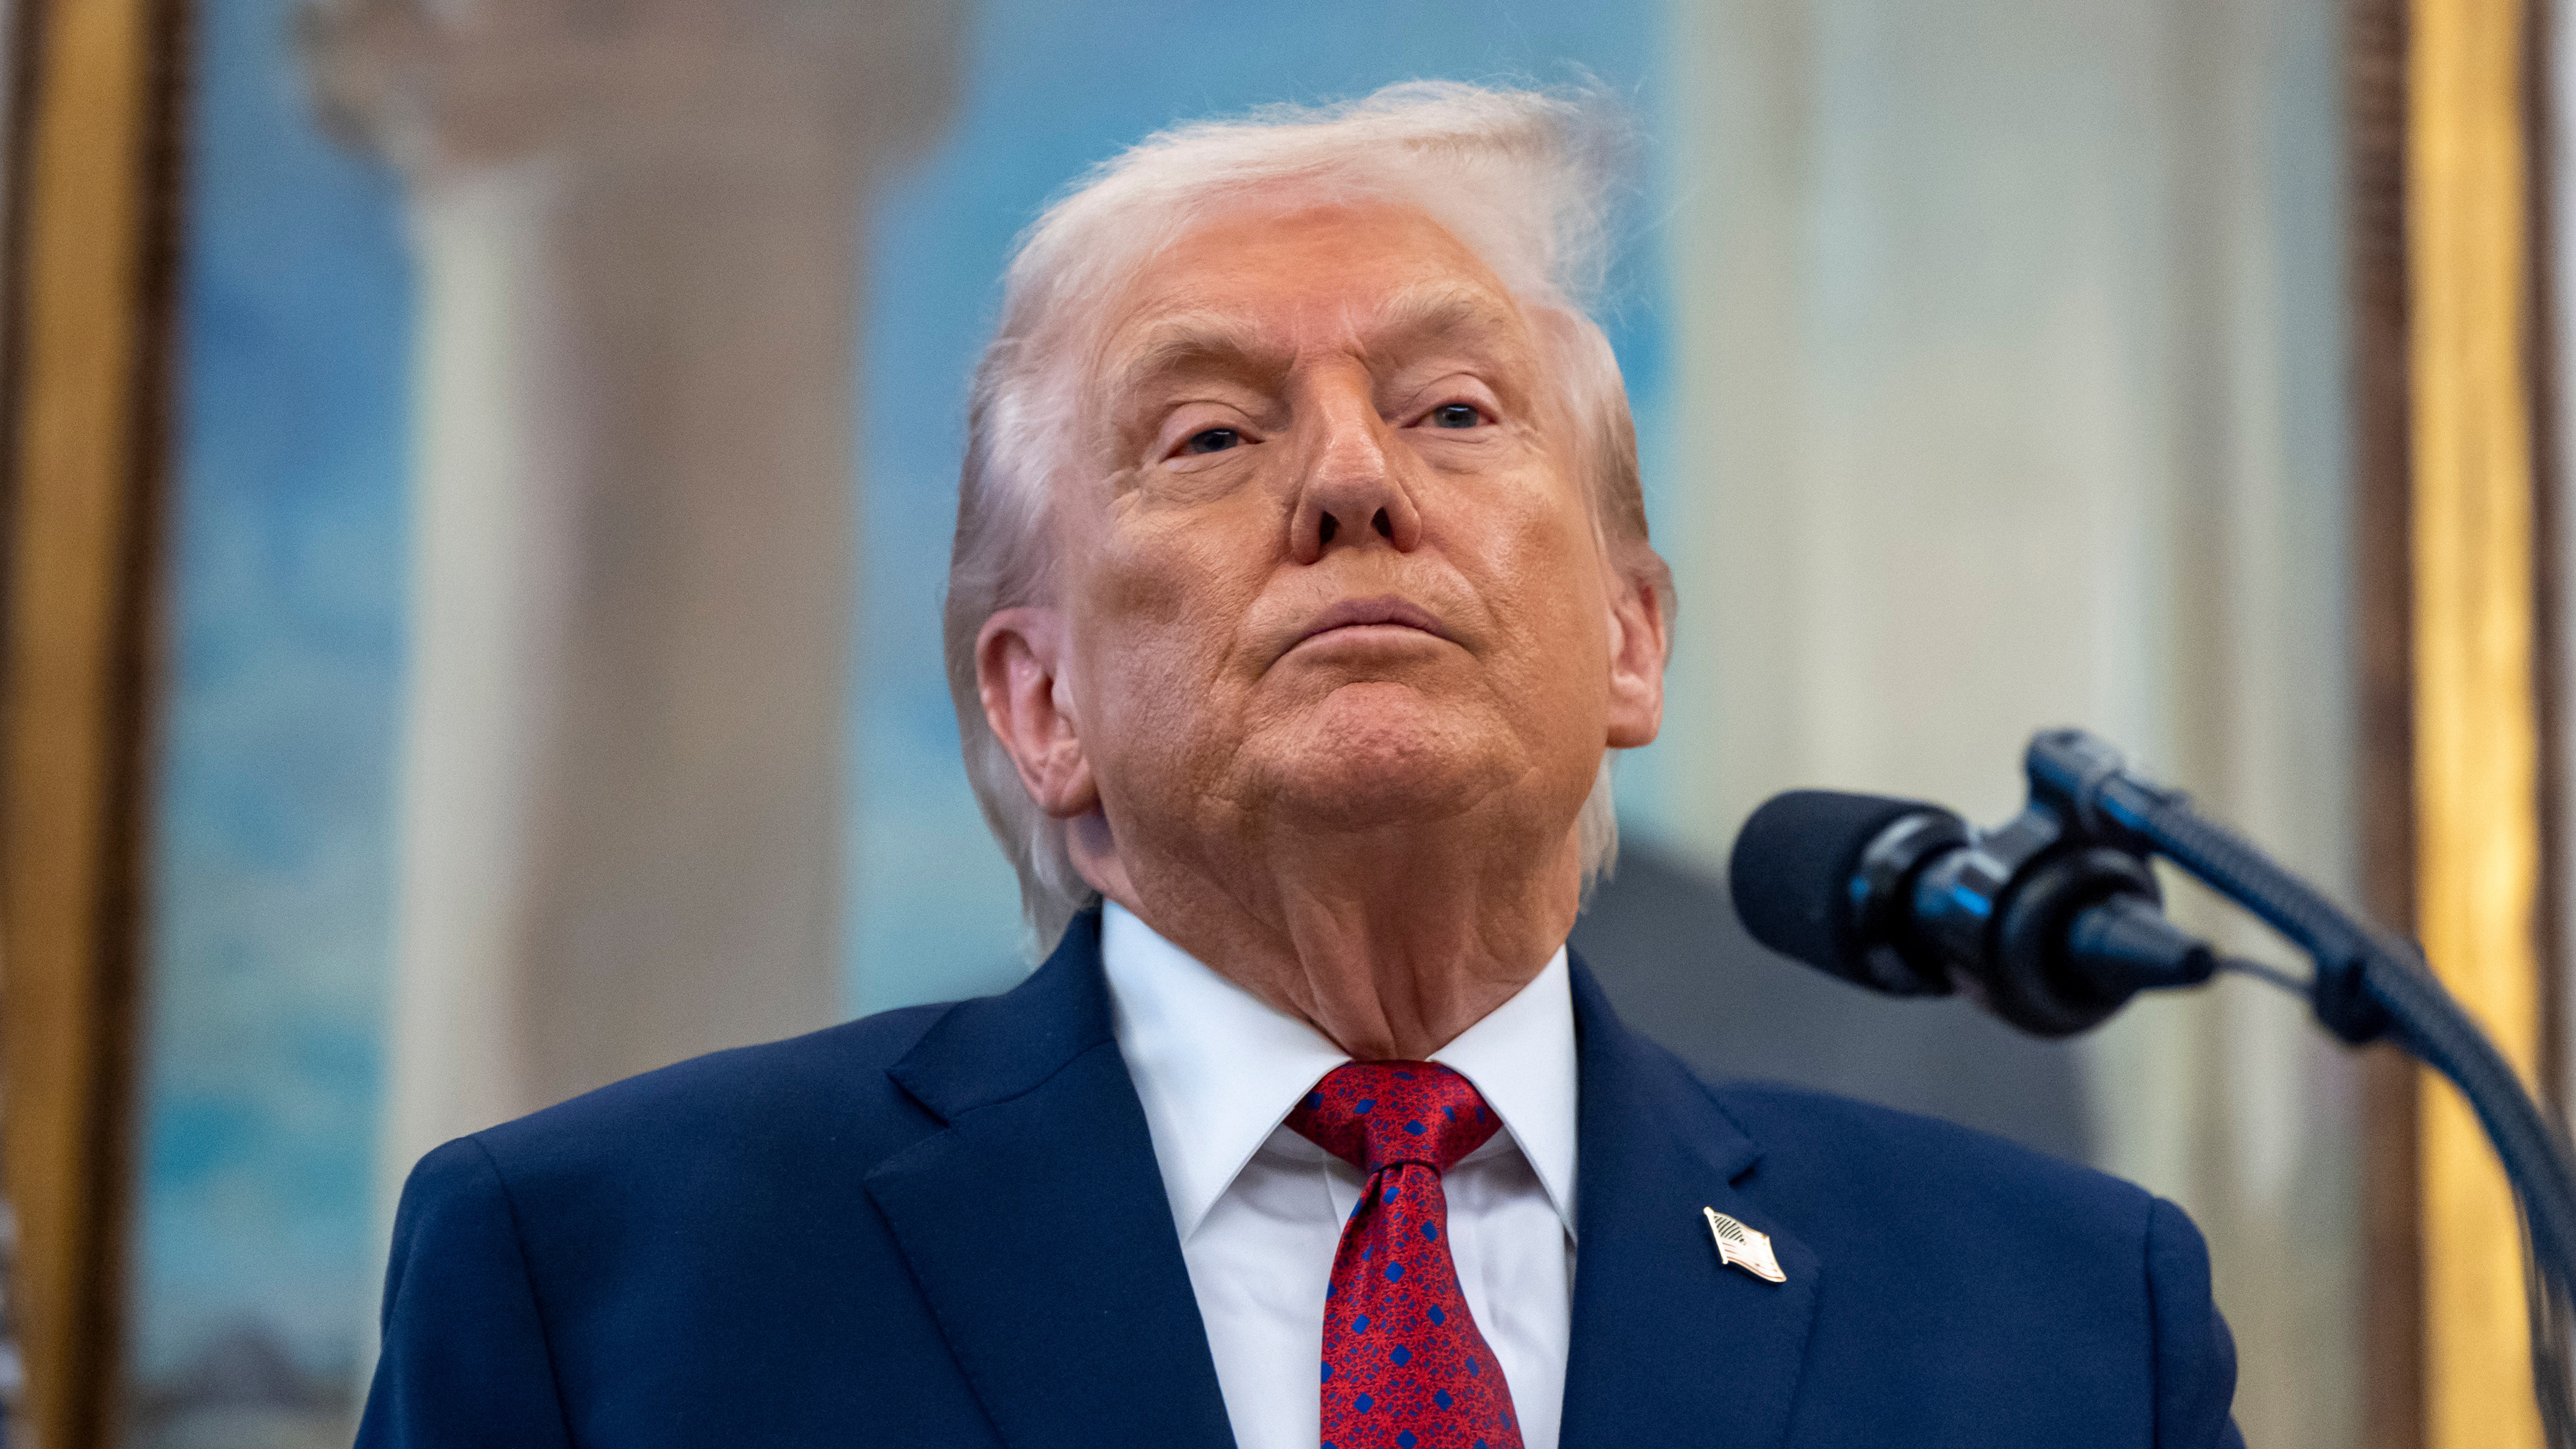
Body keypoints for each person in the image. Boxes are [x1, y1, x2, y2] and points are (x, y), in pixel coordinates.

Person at [357, 82, 2242, 1448]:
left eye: (1451, 409)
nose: (1355, 480)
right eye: (1204, 436)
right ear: (1040, 705)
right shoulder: (602, 1284)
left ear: (1629, 639)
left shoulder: (2063, 1318)